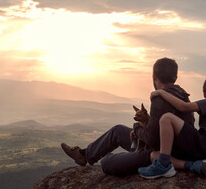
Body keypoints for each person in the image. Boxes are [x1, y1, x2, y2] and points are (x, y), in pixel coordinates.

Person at [61, 57, 195, 175]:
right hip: (177, 150)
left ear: (154, 75)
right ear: (175, 77)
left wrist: (137, 129)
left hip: (157, 154)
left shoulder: (159, 98)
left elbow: (152, 140)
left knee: (107, 162)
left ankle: (101, 157)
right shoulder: (184, 97)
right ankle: (84, 155)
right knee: (118, 131)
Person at [138, 74, 206, 179]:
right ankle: (193, 165)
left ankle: (162, 166)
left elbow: (184, 107)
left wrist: (161, 92)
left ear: (204, 93)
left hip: (203, 145)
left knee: (167, 118)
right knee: (154, 155)